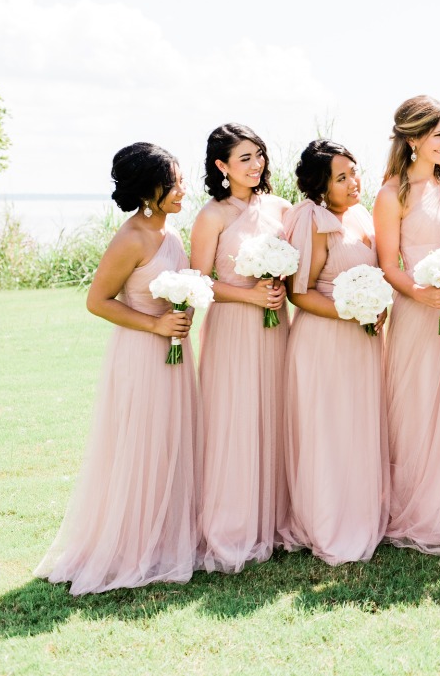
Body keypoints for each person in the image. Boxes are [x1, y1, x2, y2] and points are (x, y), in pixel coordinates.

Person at [36, 143, 198, 594]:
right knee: (141, 445)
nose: (183, 188)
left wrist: (185, 314)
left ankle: (165, 541)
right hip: (141, 354)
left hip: (175, 352)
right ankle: (131, 548)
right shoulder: (131, 237)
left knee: (170, 442)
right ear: (151, 189)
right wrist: (156, 323)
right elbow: (97, 301)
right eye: (175, 182)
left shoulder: (172, 235)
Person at [374, 96, 440, 559]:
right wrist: (418, 293)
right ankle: (412, 505)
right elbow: (388, 264)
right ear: (413, 140)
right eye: (439, 135)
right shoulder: (391, 192)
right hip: (417, 308)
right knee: (414, 403)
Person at [190, 123, 292, 573]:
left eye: (259, 155)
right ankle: (231, 525)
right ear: (221, 166)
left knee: (274, 412)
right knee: (235, 417)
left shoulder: (281, 208)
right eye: (244, 158)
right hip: (232, 324)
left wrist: (279, 284)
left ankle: (275, 519)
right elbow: (199, 280)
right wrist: (250, 296)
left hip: (275, 325)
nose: (256, 165)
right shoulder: (212, 215)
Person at [281, 139, 389, 564]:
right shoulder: (313, 220)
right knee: (326, 430)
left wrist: (376, 309)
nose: (353, 182)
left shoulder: (362, 215)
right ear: (321, 185)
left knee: (356, 426)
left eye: (354, 172)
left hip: (362, 342)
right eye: (341, 177)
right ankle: (327, 523)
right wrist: (351, 311)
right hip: (324, 340)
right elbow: (299, 293)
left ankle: (359, 512)